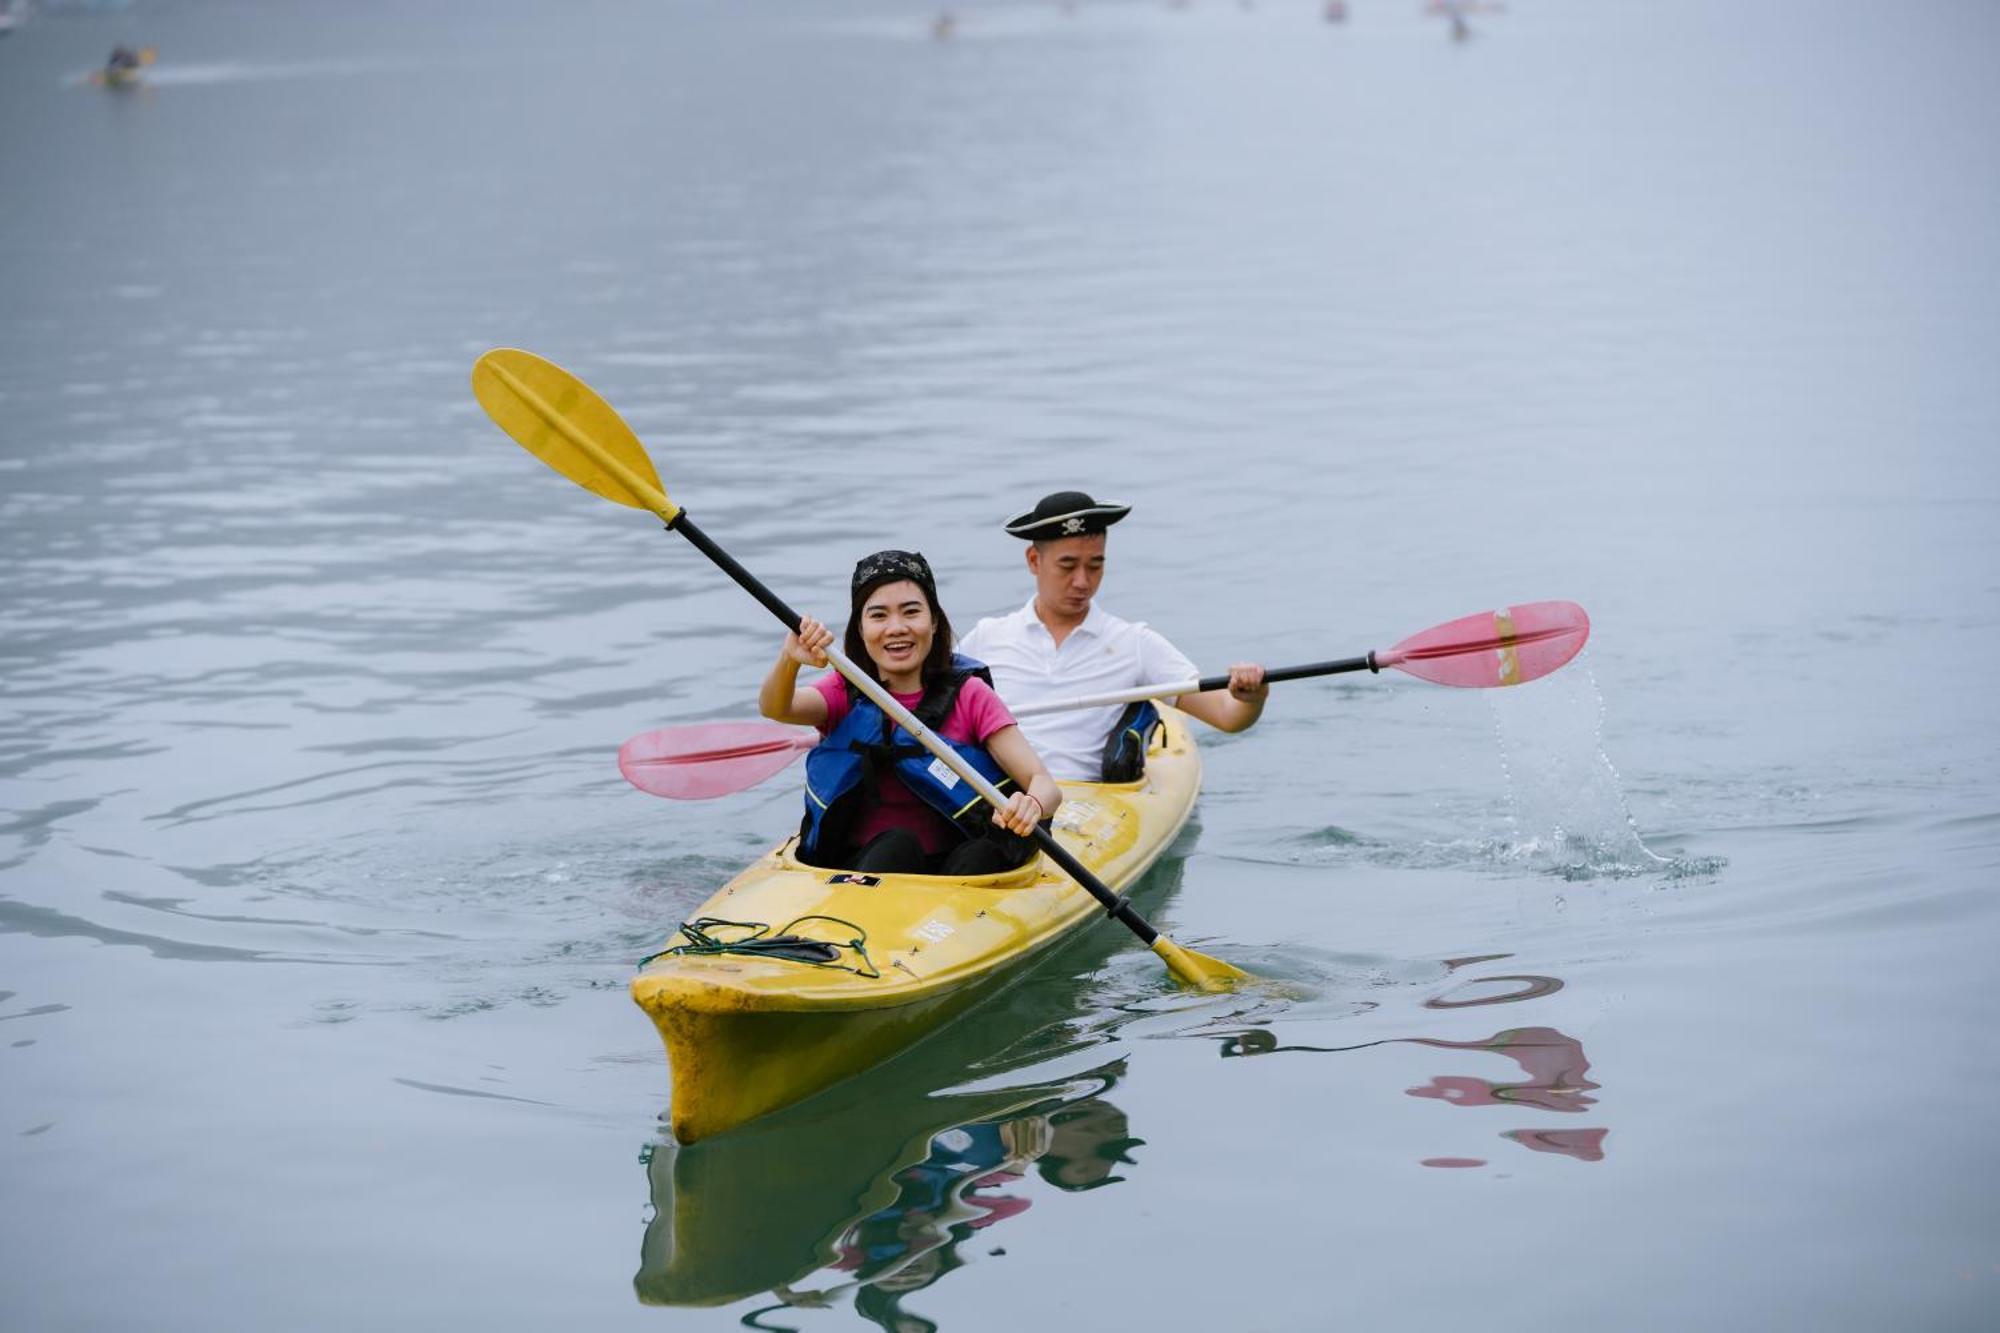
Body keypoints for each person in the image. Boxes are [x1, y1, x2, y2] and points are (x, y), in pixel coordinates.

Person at [761, 549, 1062, 876]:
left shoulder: (970, 695)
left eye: (911, 612)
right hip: (865, 871)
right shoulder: (845, 691)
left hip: (959, 873)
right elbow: (777, 707)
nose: (896, 628)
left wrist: (1031, 804)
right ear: (860, 630)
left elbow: (1044, 783)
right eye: (878, 616)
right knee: (897, 846)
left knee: (983, 854)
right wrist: (790, 659)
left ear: (933, 621)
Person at [956, 491, 1268, 783]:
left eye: (1095, 565)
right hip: (1002, 797)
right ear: (1034, 561)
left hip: (1090, 811)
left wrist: (1251, 697)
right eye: (1068, 565)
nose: (1083, 581)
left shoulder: (1134, 644)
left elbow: (1228, 716)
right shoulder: (987, 638)